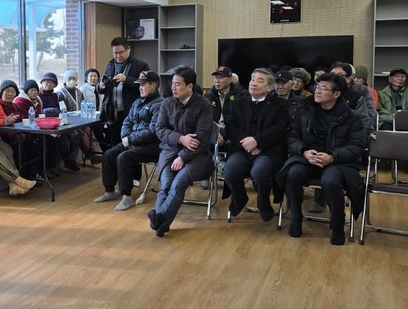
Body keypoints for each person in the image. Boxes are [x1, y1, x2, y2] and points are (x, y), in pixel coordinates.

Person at [278, 72, 365, 245]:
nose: (317, 91)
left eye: (323, 88)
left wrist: (332, 156)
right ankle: (296, 217)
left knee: (330, 181)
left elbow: (357, 147)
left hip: (337, 162)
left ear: (336, 93)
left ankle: (337, 225)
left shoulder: (351, 117)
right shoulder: (304, 109)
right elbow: (292, 137)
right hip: (309, 158)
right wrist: (304, 151)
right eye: (317, 87)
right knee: (292, 174)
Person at [149, 65, 214, 237]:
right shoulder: (167, 103)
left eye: (177, 84)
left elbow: (202, 138)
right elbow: (159, 129)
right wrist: (180, 139)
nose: (173, 87)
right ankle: (161, 223)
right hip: (169, 151)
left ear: (190, 86)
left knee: (178, 184)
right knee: (166, 184)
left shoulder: (204, 105)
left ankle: (158, 218)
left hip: (197, 155)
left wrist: (183, 157)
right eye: (172, 83)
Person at [223, 68, 290, 222]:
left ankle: (263, 202)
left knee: (260, 172)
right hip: (242, 149)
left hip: (267, 150)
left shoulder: (280, 104)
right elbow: (231, 127)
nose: (254, 83)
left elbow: (280, 128)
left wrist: (257, 141)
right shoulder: (238, 102)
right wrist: (247, 143)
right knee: (230, 170)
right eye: (252, 79)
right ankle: (239, 198)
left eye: (260, 81)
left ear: (269, 87)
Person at [94, 70, 163, 211]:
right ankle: (109, 191)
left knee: (123, 157)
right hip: (133, 141)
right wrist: (127, 138)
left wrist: (131, 139)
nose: (140, 88)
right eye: (139, 85)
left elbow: (153, 131)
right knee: (108, 155)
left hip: (152, 146)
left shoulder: (160, 104)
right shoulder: (137, 102)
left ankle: (127, 196)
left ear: (153, 86)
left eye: (143, 84)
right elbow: (127, 121)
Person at [99, 37, 150, 147]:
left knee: (129, 145)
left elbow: (146, 87)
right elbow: (103, 89)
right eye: (115, 53)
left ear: (128, 49)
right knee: (113, 145)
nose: (118, 56)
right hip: (112, 112)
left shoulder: (140, 65)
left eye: (121, 52)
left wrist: (126, 79)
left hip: (131, 112)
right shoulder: (110, 65)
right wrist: (101, 86)